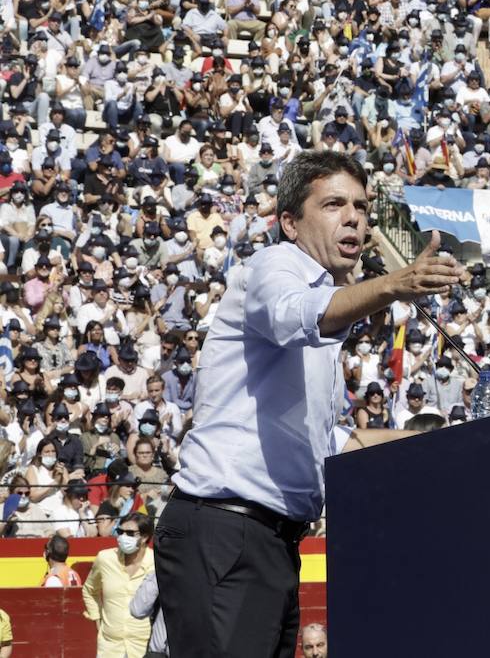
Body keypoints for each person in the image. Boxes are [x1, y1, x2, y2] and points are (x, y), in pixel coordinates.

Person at [155, 151, 461, 658]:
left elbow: (328, 442)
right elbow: (293, 313)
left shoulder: (324, 323)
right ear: (290, 223)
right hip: (227, 533)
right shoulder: (275, 265)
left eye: (361, 207)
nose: (354, 219)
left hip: (269, 542)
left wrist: (439, 442)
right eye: (334, 204)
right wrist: (393, 284)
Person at [82, 513, 155, 658]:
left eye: (130, 533)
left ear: (145, 537)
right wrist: (97, 620)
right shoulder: (105, 558)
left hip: (144, 647)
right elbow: (89, 590)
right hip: (110, 647)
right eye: (120, 532)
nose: (123, 537)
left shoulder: (156, 563)